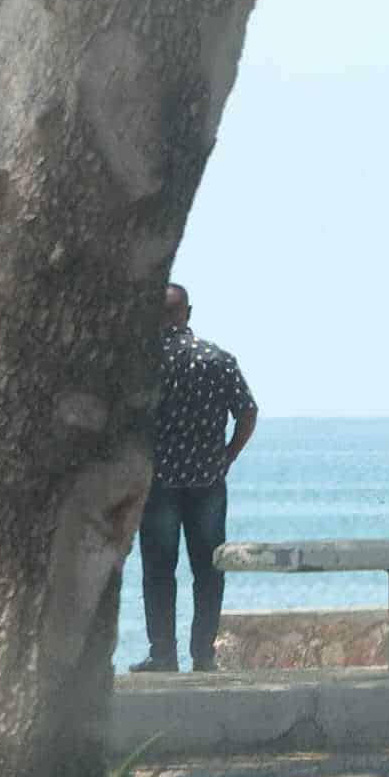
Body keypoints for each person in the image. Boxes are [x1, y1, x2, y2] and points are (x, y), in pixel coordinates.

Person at [136, 282, 259, 675]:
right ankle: (203, 655)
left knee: (158, 572)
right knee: (208, 571)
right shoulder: (218, 359)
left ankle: (163, 655)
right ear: (188, 313)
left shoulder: (144, 364)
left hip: (158, 483)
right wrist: (227, 456)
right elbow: (248, 412)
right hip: (207, 482)